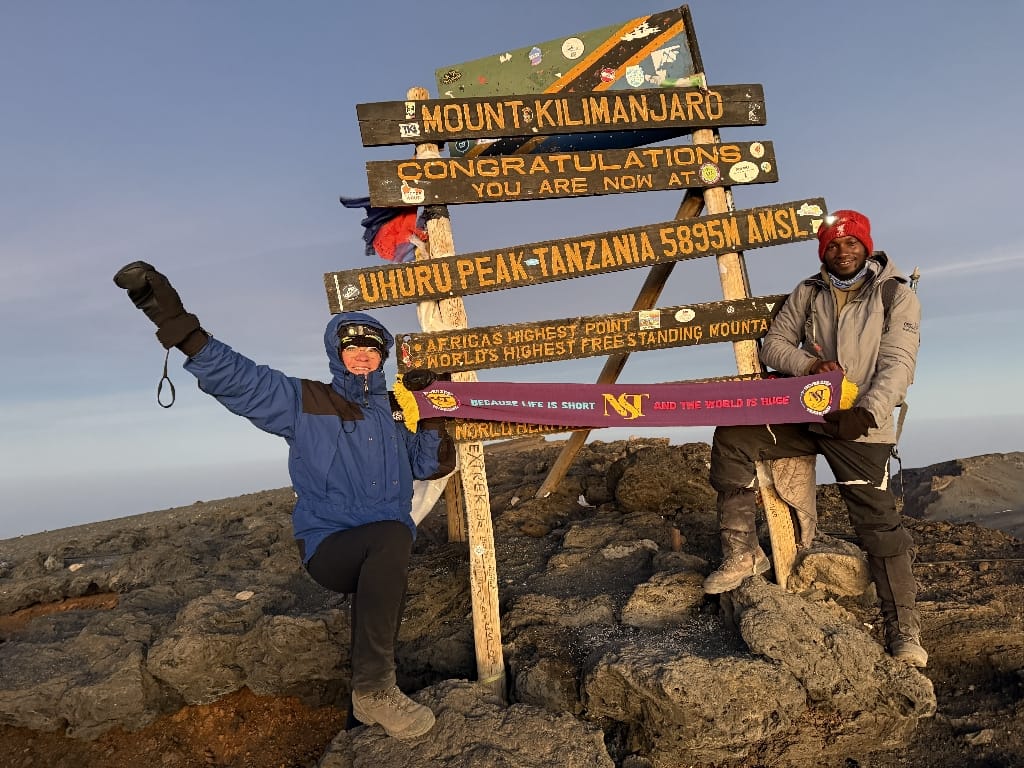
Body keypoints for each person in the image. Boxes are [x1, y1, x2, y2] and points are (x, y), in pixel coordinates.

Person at [113, 261, 456, 738]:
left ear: (383, 357)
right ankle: (376, 691)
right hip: (330, 546)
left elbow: (430, 467)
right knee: (393, 538)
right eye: (352, 346)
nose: (362, 355)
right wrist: (174, 321)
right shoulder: (306, 402)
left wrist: (435, 409)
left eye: (372, 348)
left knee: (378, 594)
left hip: (380, 546)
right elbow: (241, 380)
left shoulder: (395, 415)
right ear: (337, 352)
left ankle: (359, 722)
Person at [703, 210, 928, 668]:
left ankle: (904, 631)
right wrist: (808, 366)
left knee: (879, 524)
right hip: (804, 416)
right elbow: (773, 344)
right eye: (832, 245)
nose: (842, 252)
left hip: (863, 425)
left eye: (851, 244)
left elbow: (898, 363)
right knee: (734, 436)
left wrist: (865, 412)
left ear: (867, 246)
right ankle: (742, 553)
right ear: (822, 251)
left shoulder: (895, 294)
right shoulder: (808, 292)